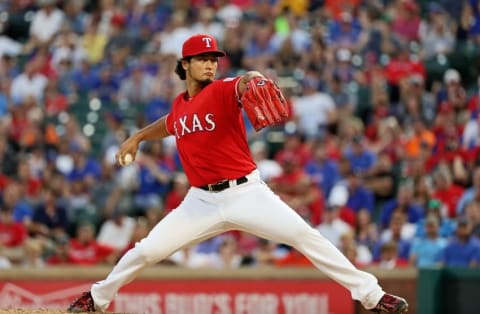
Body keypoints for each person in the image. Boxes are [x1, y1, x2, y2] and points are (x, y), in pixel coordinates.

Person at [67, 33, 408, 314]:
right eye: (202, 58)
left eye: (213, 58)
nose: (210, 63)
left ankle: (372, 295)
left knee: (307, 237)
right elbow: (169, 125)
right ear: (184, 64)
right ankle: (96, 299)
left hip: (247, 194)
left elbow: (243, 83)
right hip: (199, 201)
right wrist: (138, 136)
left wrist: (255, 79)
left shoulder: (221, 90)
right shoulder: (179, 106)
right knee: (146, 251)